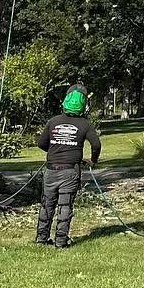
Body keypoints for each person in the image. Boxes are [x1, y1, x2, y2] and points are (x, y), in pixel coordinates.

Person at [34, 87, 102, 249]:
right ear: (84, 104)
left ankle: (41, 239)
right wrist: (93, 160)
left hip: (51, 170)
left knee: (47, 205)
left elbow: (41, 143)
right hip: (70, 171)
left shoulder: (53, 121)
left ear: (65, 101)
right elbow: (96, 144)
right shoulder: (85, 124)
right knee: (65, 206)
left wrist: (56, 149)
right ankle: (61, 242)